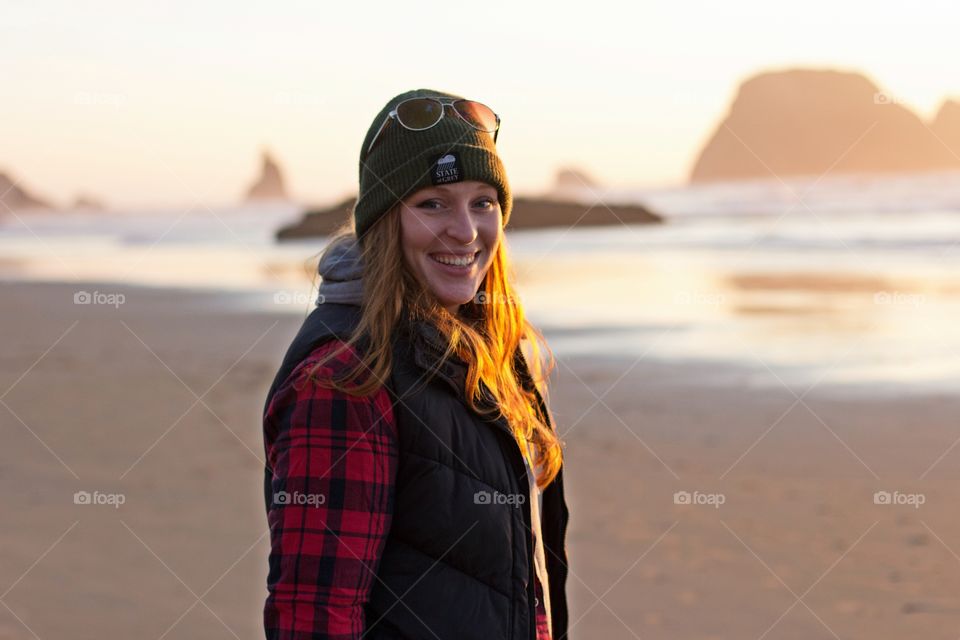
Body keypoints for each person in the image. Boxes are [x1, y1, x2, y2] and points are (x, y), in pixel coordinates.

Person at [261, 88, 570, 640]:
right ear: (385, 220)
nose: (466, 230)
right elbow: (313, 615)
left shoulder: (490, 351)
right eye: (432, 203)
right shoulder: (345, 378)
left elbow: (523, 583)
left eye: (483, 202)